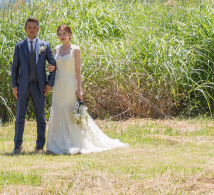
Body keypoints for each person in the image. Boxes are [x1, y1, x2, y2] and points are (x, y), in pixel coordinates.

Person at [46, 25, 128, 155]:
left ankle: (76, 140)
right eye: (59, 34)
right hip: (58, 83)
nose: (62, 36)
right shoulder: (56, 49)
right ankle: (59, 141)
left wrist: (79, 88)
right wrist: (50, 69)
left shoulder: (75, 50)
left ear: (70, 35)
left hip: (70, 84)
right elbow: (54, 68)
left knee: (70, 110)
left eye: (65, 33)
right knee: (58, 108)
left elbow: (78, 71)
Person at [11, 17, 57, 154]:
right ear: (25, 29)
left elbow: (53, 65)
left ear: (38, 29)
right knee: (19, 117)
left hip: (39, 87)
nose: (32, 29)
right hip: (23, 87)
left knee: (41, 118)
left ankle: (40, 146)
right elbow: (14, 68)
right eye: (29, 27)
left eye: (34, 27)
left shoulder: (45, 45)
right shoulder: (19, 46)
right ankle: (17, 146)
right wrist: (14, 85)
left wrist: (49, 84)